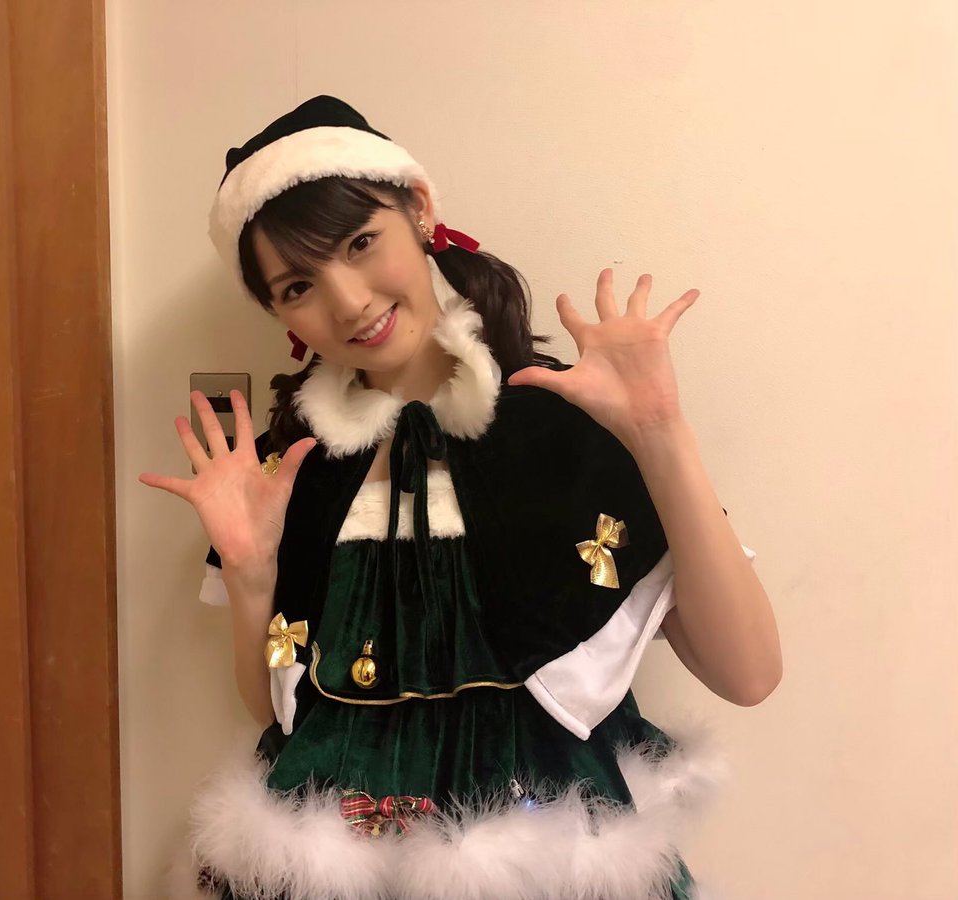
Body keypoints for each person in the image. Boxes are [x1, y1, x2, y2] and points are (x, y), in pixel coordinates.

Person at [140, 95, 779, 900]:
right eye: (299, 285)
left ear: (420, 209)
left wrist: (659, 434)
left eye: (361, 243)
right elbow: (280, 722)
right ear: (279, 312)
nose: (348, 301)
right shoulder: (294, 466)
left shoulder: (570, 421)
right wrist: (249, 574)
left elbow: (748, 674)